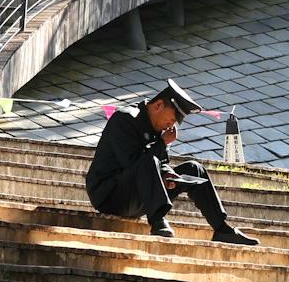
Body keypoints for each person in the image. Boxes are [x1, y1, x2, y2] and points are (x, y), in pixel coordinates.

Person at [85, 79, 259, 245]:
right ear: (159, 105)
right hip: (111, 196)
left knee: (193, 169)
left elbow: (160, 162)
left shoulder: (157, 127)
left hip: (139, 196)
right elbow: (133, 162)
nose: (170, 126)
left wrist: (168, 173)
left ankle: (222, 229)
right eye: (170, 120)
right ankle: (157, 221)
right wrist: (161, 143)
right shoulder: (124, 119)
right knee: (147, 160)